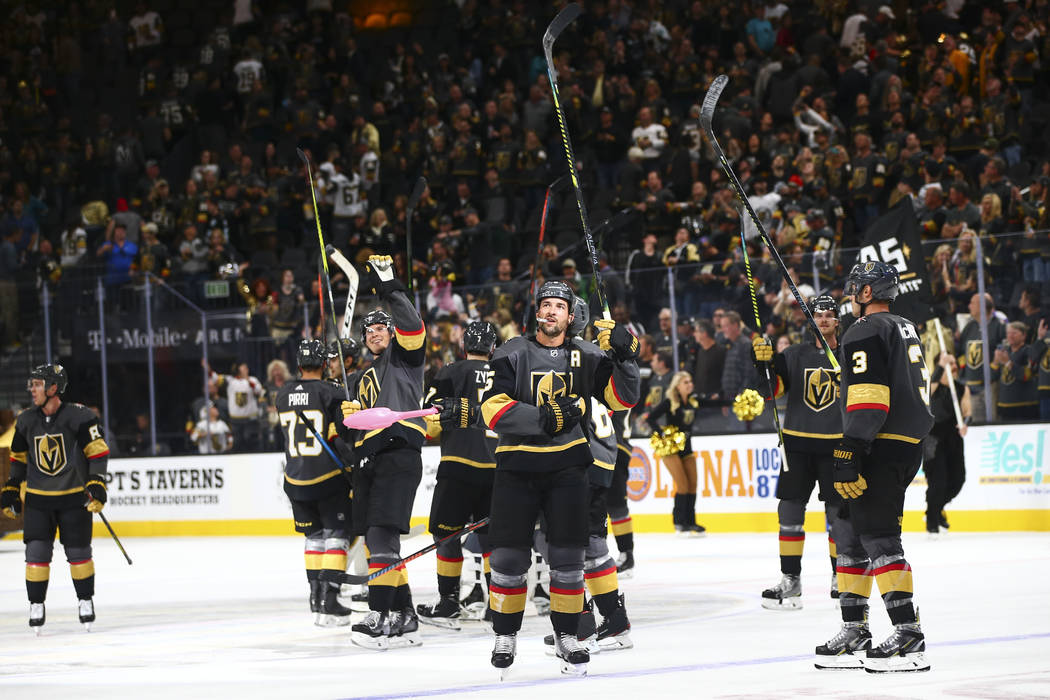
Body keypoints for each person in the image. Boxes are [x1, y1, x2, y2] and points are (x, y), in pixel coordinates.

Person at [479, 280, 640, 677]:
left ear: (571, 315)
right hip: (517, 465)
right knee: (508, 559)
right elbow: (492, 409)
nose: (551, 312)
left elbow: (622, 399)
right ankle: (505, 634)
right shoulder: (512, 351)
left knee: (568, 560)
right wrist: (543, 418)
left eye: (559, 307)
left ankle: (568, 636)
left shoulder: (587, 354)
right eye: (545, 305)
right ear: (537, 312)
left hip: (569, 467)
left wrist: (625, 354)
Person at [815, 261, 933, 673]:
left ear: (867, 293)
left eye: (855, 289)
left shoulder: (864, 329)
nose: (850, 295)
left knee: (881, 538)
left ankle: (908, 635)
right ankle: (855, 629)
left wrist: (852, 446)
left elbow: (870, 395)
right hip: (902, 440)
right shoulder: (903, 325)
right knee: (848, 533)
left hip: (879, 442)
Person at [343, 255, 428, 650]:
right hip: (369, 458)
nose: (376, 332)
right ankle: (403, 611)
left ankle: (378, 614)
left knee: (382, 536)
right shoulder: (362, 376)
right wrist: (349, 418)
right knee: (379, 541)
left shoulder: (406, 359)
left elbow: (412, 325)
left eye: (382, 327)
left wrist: (390, 286)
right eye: (370, 329)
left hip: (398, 450)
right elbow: (355, 431)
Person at [1, 365, 110, 632]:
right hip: (39, 500)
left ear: (53, 388)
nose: (32, 389)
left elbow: (97, 453)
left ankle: (85, 600)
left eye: (37, 384)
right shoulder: (25, 420)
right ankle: (36, 604)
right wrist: (12, 487)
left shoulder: (80, 416)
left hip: (74, 498)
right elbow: (18, 459)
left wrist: (96, 483)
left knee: (78, 553)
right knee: (36, 553)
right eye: (32, 384)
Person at [752, 295, 843, 610]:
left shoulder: (849, 355)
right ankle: (790, 581)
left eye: (830, 315)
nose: (823, 320)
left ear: (838, 321)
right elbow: (771, 391)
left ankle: (840, 577)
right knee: (789, 512)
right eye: (818, 315)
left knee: (838, 515)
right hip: (797, 443)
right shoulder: (793, 354)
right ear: (811, 320)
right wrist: (763, 364)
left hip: (838, 444)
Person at [415, 321, 500, 629]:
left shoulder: (450, 372)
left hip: (458, 465)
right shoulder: (506, 373)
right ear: (493, 348)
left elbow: (431, 420)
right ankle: (497, 605)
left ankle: (449, 602)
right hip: (497, 469)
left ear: (465, 346)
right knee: (494, 541)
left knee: (446, 535)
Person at [273, 339, 354, 627]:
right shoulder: (330, 392)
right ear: (323, 364)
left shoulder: (281, 395)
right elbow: (339, 434)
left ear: (298, 365)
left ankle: (315, 598)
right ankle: (330, 599)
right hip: (327, 477)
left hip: (294, 478)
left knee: (314, 538)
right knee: (337, 535)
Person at [646, 371, 706, 535]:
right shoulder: (669, 402)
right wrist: (662, 433)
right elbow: (650, 418)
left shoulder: (693, 402)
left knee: (692, 485)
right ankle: (679, 522)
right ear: (678, 386)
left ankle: (691, 522)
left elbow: (716, 403)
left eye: (690, 381)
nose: (689, 385)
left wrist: (736, 400)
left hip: (687, 448)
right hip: (671, 450)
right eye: (686, 382)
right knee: (683, 485)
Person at [925, 352, 970, 535]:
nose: (953, 366)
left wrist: (966, 423)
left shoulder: (961, 388)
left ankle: (935, 509)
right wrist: (940, 366)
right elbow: (927, 394)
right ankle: (932, 522)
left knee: (958, 479)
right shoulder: (932, 385)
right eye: (948, 363)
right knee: (938, 481)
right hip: (933, 438)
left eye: (954, 362)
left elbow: (967, 411)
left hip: (953, 437)